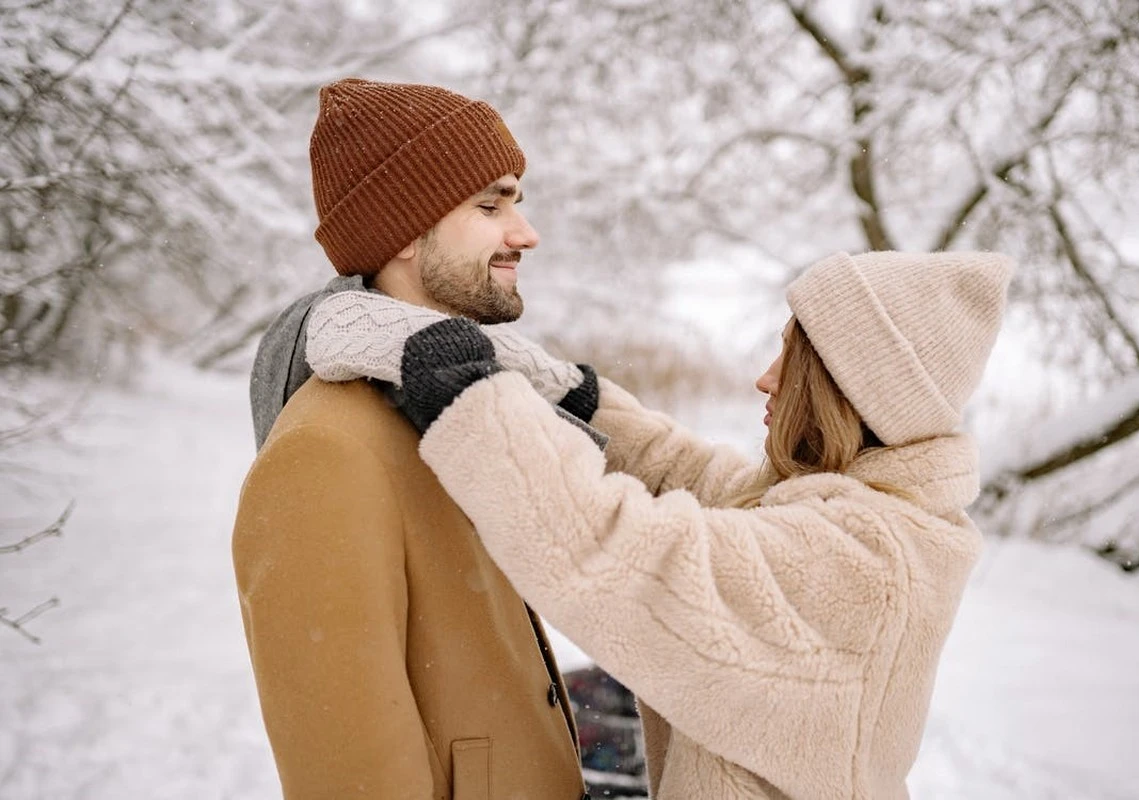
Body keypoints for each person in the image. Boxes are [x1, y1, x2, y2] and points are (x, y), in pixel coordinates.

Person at [302, 249, 1014, 799]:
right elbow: (694, 479)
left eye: (792, 357)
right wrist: (573, 397)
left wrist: (472, 402)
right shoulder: (859, 509)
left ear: (846, 389)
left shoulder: (865, 563)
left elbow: (624, 559)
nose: (766, 377)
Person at [231, 78, 590, 800]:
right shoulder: (326, 451)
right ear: (401, 230)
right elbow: (350, 774)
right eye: (490, 206)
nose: (525, 233)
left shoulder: (457, 402)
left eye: (516, 203)